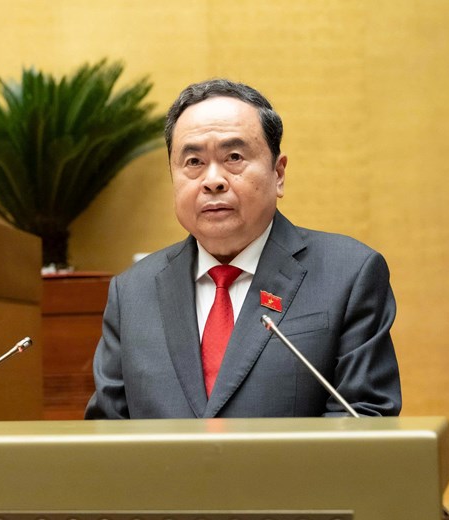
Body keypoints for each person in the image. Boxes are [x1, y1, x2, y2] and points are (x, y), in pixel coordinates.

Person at [85, 79, 401, 419]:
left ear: (278, 174)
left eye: (234, 157)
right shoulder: (132, 292)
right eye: (193, 162)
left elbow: (364, 420)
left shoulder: (348, 273)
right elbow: (108, 431)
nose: (213, 180)